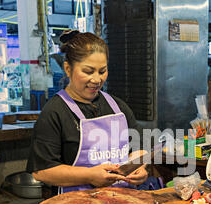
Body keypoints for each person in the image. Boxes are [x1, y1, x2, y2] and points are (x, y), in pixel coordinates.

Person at [26, 30, 148, 194]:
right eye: (88, 71)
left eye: (102, 71)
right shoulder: (55, 112)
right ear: (68, 69)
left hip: (123, 203)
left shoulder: (118, 107)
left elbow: (138, 149)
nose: (97, 80)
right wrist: (89, 175)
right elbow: (42, 171)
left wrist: (139, 168)